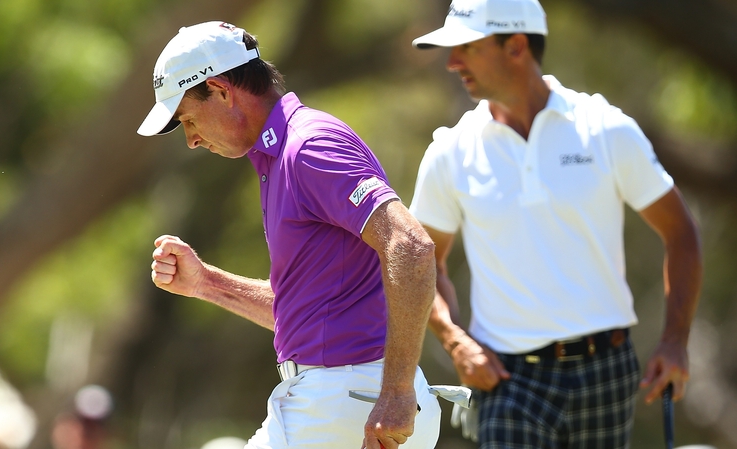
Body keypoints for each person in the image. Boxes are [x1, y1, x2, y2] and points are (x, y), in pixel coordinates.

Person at [408, 0, 703, 447]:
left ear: (517, 46)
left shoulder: (605, 130)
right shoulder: (451, 152)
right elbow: (420, 263)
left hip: (607, 370)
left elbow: (680, 234)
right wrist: (455, 342)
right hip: (508, 380)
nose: (452, 63)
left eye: (467, 47)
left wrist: (675, 340)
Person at [137, 21, 442, 449]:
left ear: (222, 90)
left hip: (345, 403)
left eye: (187, 118)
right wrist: (206, 282)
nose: (190, 140)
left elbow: (411, 246)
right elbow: (309, 317)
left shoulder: (309, 146)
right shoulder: (276, 157)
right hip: (342, 401)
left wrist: (396, 391)